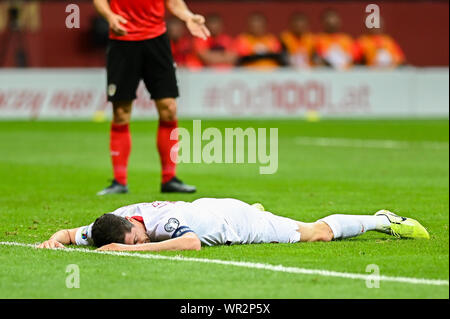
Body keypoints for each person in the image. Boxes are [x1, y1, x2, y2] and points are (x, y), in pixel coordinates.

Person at [93, 0, 210, 195]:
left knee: (169, 108)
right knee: (121, 112)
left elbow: (174, 3)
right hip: (123, 41)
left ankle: (169, 178)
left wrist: (188, 16)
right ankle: (119, 181)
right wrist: (110, 17)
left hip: (156, 41)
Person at [37, 198, 430, 252]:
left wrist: (131, 249)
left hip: (238, 224)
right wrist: (54, 240)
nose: (139, 239)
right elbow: (73, 234)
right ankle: (259, 209)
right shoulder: (112, 220)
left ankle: (380, 220)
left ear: (132, 225)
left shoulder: (161, 223)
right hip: (211, 208)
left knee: (317, 233)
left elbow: (190, 244)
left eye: (137, 236)